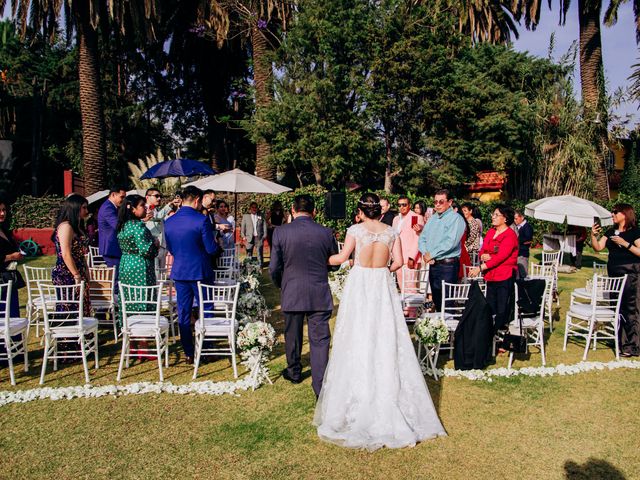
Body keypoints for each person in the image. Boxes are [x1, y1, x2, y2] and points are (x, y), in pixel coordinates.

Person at [314, 192, 446, 450]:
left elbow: (341, 260)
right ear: (379, 211)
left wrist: (321, 258)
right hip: (381, 285)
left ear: (361, 211)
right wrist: (385, 270)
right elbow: (398, 262)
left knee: (357, 335)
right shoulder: (391, 231)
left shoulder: (355, 229)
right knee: (385, 335)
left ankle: (356, 396)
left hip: (361, 284)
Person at [269, 194, 337, 397]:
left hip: (292, 290)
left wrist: (281, 284)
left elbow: (274, 267)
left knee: (292, 334)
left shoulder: (280, 232)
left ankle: (294, 371)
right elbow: (334, 262)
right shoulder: (325, 232)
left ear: (292, 209)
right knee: (320, 340)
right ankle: (320, 386)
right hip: (318, 292)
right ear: (314, 211)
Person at [164, 186, 220, 364]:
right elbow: (211, 249)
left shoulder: (170, 221)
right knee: (206, 310)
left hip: (180, 271)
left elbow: (171, 248)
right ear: (196, 200)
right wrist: (216, 245)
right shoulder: (201, 219)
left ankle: (189, 352)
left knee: (183, 313)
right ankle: (207, 348)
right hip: (200, 271)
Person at [591, 204, 640, 357]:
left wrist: (626, 244)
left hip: (630, 274)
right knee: (617, 308)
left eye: (615, 212)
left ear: (625, 214)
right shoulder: (610, 231)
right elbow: (598, 247)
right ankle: (619, 341)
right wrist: (593, 235)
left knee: (630, 308)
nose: (612, 214)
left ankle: (632, 345)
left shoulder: (635, 232)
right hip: (614, 275)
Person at [468, 205, 518, 332]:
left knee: (502, 308)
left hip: (504, 276)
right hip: (491, 276)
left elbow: (501, 257)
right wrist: (483, 256)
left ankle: (502, 336)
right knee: (490, 306)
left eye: (496, 215)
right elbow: (483, 250)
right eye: (493, 214)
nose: (493, 217)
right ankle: (491, 335)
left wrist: (480, 267)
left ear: (505, 218)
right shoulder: (491, 232)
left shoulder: (510, 235)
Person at [418, 190, 467, 309]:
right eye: (435, 202)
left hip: (448, 265)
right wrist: (426, 254)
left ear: (450, 202)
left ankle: (448, 326)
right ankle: (438, 326)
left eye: (441, 201)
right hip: (434, 264)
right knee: (436, 299)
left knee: (447, 301)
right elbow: (422, 238)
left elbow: (451, 242)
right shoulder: (433, 219)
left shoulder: (456, 218)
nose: (437, 204)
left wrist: (432, 254)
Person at [51, 194, 92, 316]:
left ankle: (84, 332)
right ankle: (69, 334)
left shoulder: (77, 227)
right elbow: (66, 253)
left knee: (82, 303)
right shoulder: (66, 227)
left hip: (79, 268)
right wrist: (76, 275)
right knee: (70, 305)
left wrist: (86, 270)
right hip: (66, 272)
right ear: (75, 208)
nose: (86, 211)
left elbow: (81, 252)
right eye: (83, 208)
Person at [117, 195, 159, 305]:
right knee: (142, 298)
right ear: (132, 209)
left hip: (126, 264)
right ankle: (143, 320)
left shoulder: (124, 225)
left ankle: (128, 321)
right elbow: (146, 250)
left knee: (128, 297)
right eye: (142, 205)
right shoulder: (138, 226)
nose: (145, 207)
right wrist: (155, 244)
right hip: (140, 266)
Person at [392, 195, 424, 288]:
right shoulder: (396, 219)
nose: (401, 207)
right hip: (397, 259)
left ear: (409, 205)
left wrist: (412, 257)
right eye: (399, 205)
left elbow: (418, 239)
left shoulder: (417, 217)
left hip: (409, 260)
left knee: (410, 290)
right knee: (402, 289)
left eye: (404, 205)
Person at [0, 200, 24, 317]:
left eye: (4, 210)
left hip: (9, 278)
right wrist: (11, 256)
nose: (2, 213)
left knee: (13, 313)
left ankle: (14, 335)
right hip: (1, 282)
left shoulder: (4, 230)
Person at [97, 186, 127, 276]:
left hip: (113, 248)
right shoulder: (108, 208)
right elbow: (117, 225)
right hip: (111, 248)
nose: (123, 200)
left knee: (118, 276)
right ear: (113, 194)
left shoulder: (113, 207)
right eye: (122, 197)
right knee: (116, 278)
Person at [144, 188, 173, 270]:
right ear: (147, 197)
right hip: (153, 246)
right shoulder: (144, 210)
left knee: (162, 276)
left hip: (163, 246)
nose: (159, 198)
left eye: (160, 196)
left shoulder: (156, 210)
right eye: (156, 196)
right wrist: (169, 206)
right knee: (155, 276)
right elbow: (157, 217)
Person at [514, 210, 533, 277]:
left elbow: (528, 239)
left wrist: (516, 240)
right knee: (517, 275)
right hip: (517, 254)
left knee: (523, 274)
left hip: (522, 254)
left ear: (522, 217)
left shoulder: (527, 227)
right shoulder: (517, 227)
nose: (515, 220)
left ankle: (524, 287)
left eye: (516, 218)